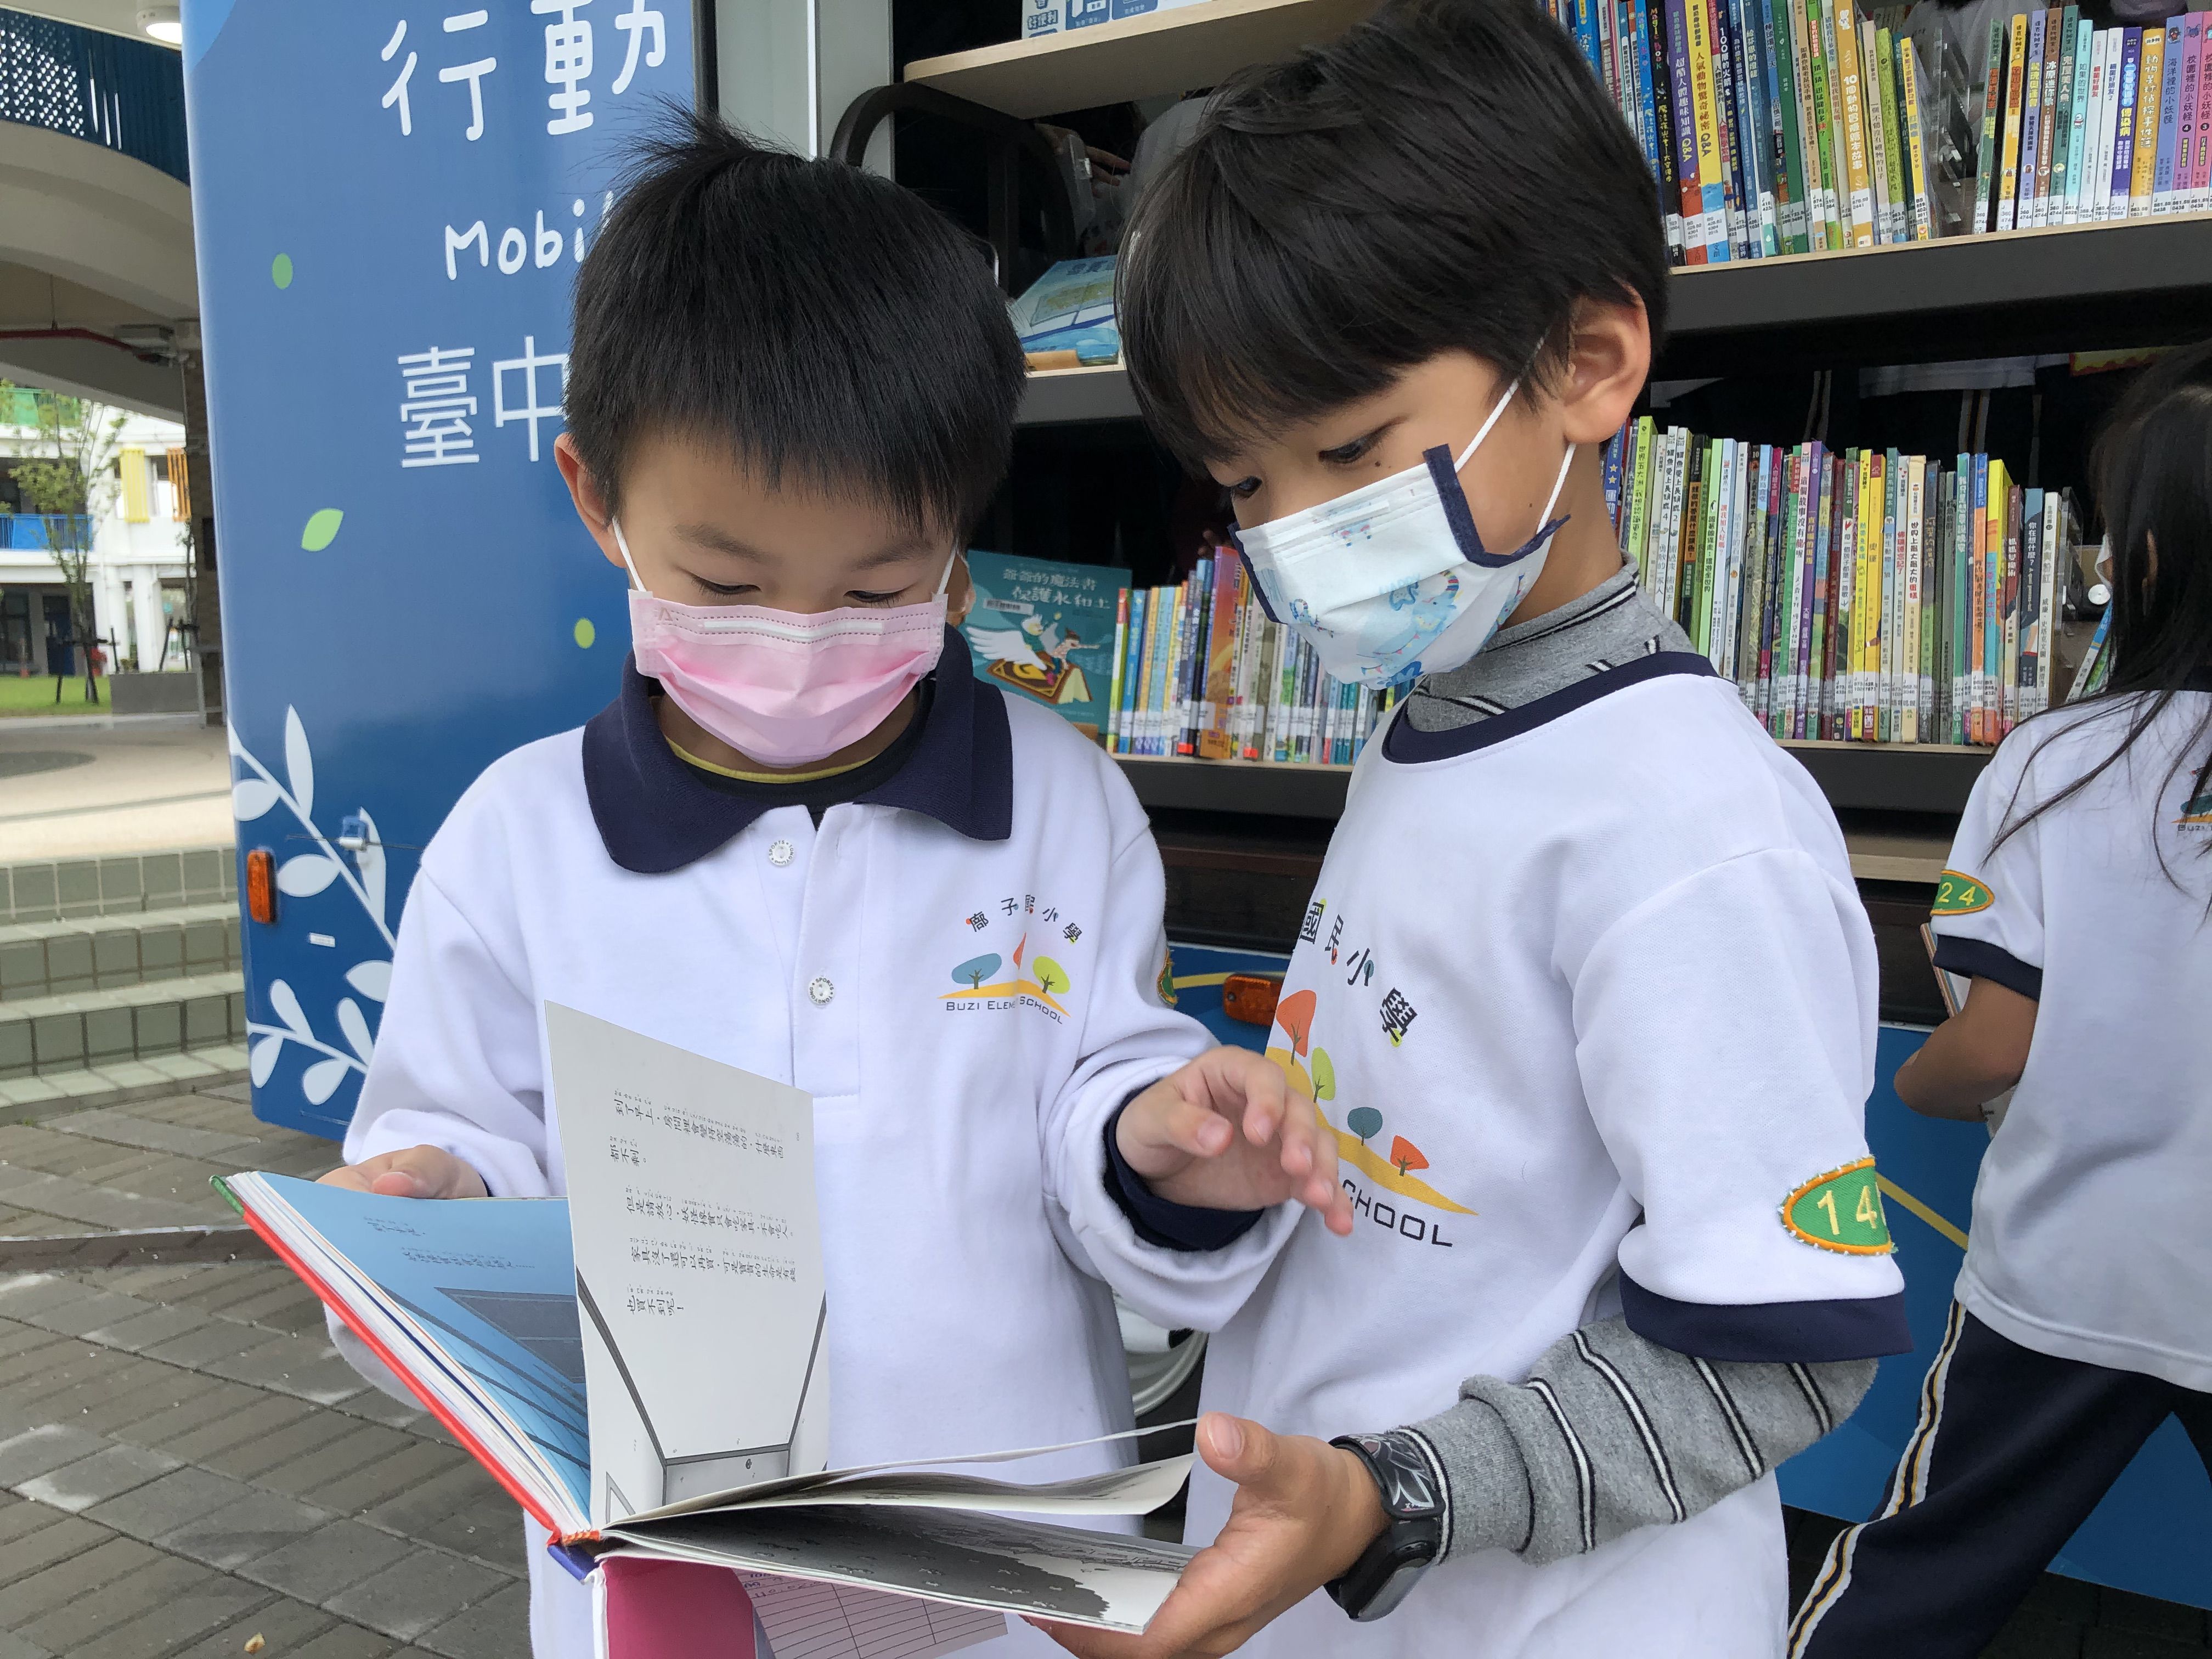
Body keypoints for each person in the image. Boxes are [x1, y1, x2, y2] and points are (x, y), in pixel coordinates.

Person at [317, 113, 1353, 1659]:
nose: (804, 634)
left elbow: (1108, 1091)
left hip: (1008, 1564)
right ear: (597, 496)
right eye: (727, 585)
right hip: (674, 1586)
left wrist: (1161, 1142)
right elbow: (449, 1152)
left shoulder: (1057, 802)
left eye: (880, 586)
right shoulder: (520, 840)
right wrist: (424, 1208)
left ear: (958, 536)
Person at [1043, 4, 1916, 1656]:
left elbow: (1783, 1350)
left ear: (1588, 363)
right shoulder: (1442, 719)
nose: (1296, 536)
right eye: (1244, 486)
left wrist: (1397, 1496)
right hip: (1349, 1582)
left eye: (1351, 451)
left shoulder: (1690, 828)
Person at [1788, 342, 2212, 1657]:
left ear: (2137, 561)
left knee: (1922, 1569)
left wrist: (1901, 1086)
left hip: (2074, 1275)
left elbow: (1992, 1047)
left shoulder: (2054, 769)